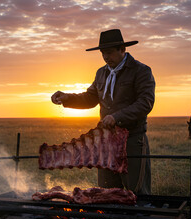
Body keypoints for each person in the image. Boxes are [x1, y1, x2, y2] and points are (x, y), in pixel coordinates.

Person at [51, 29, 155, 195]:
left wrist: (116, 117)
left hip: (132, 139)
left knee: (136, 191)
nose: (106, 57)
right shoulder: (101, 73)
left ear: (123, 49)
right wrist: (67, 98)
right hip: (106, 142)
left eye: (109, 52)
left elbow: (145, 103)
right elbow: (90, 98)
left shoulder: (141, 71)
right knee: (107, 192)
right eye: (103, 53)